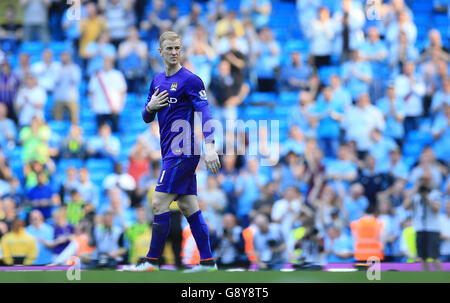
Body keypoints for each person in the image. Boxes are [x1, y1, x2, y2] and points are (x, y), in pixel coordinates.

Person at [124, 31, 220, 272]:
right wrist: (151, 106)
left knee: (158, 202)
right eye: (169, 49)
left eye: (178, 48)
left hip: (183, 150)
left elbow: (205, 113)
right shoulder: (157, 81)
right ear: (160, 51)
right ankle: (208, 263)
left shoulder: (191, 80)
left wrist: (209, 146)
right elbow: (147, 117)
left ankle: (151, 262)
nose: (175, 52)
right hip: (169, 151)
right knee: (189, 206)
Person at [403, 176, 442, 271]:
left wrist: (426, 197)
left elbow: (436, 209)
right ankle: (426, 277)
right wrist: (413, 192)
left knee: (434, 256)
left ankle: (441, 277)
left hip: (432, 228)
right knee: (422, 257)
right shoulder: (415, 195)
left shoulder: (435, 194)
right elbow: (406, 206)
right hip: (419, 228)